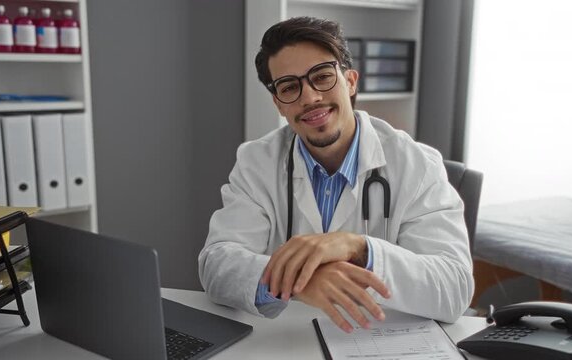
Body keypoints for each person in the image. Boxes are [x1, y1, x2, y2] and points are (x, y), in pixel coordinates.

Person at [199, 16, 473, 333]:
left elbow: (454, 289)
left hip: (381, 341)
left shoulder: (416, 163)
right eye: (289, 87)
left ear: (351, 81)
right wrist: (301, 281)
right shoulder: (256, 161)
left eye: (323, 76)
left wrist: (359, 249)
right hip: (287, 342)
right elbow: (216, 265)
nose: (310, 97)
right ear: (278, 103)